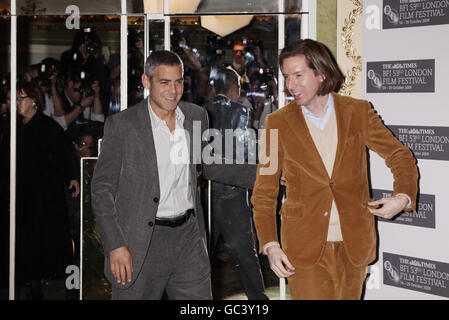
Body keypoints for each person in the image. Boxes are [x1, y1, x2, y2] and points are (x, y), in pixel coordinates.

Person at [251, 39, 419, 300]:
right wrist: (270, 244)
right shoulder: (276, 124)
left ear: (321, 74)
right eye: (286, 77)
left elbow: (399, 154)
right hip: (303, 247)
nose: (290, 85)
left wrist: (403, 197)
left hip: (354, 243)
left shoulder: (358, 112)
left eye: (298, 75)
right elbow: (264, 194)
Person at [91, 50, 212, 300]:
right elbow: (102, 189)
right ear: (147, 82)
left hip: (188, 237)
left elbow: (211, 164)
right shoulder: (122, 125)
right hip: (141, 242)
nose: (173, 90)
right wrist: (115, 244)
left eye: (178, 82)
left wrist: (269, 172)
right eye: (164, 82)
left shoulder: (195, 116)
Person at [204, 68, 268, 300]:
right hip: (234, 192)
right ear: (234, 88)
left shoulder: (201, 111)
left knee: (202, 253)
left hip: (208, 193)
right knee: (245, 255)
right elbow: (246, 153)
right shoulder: (240, 111)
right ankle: (258, 301)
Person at [15, 80, 79, 299]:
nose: (17, 103)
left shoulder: (47, 126)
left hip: (43, 195)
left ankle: (49, 285)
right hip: (20, 194)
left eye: (21, 98)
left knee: (42, 240)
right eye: (14, 99)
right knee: (24, 240)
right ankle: (31, 283)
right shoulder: (13, 126)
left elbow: (64, 155)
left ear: (34, 101)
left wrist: (71, 177)